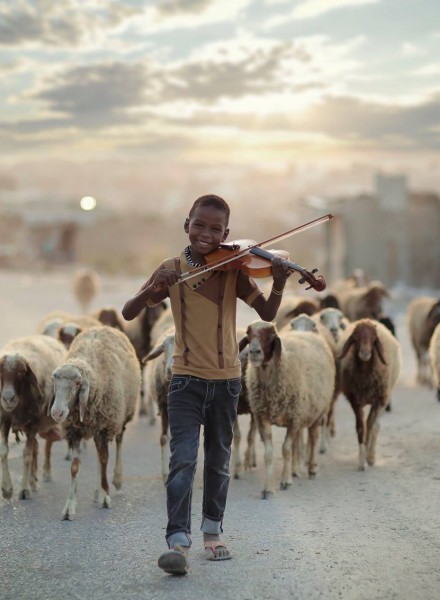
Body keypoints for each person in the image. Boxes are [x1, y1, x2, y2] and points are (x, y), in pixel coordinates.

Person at [122, 194, 289, 576]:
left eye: (216, 229)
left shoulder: (233, 269)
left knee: (219, 461)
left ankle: (213, 531)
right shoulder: (170, 269)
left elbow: (266, 312)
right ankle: (177, 542)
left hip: (228, 381)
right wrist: (153, 290)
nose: (206, 234)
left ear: (227, 234)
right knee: (182, 459)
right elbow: (128, 312)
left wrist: (278, 283)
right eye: (199, 225)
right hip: (184, 380)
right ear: (187, 225)